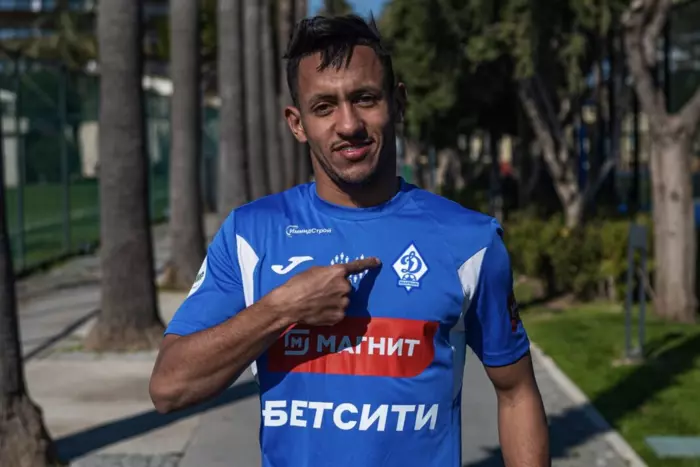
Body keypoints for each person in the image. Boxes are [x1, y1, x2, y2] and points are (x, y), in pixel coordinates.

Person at [149, 14, 550, 467]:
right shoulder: (251, 234)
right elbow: (169, 387)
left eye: (364, 99)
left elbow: (516, 391)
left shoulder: (469, 241)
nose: (349, 124)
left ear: (398, 103)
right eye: (324, 107)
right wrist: (282, 309)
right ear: (297, 123)